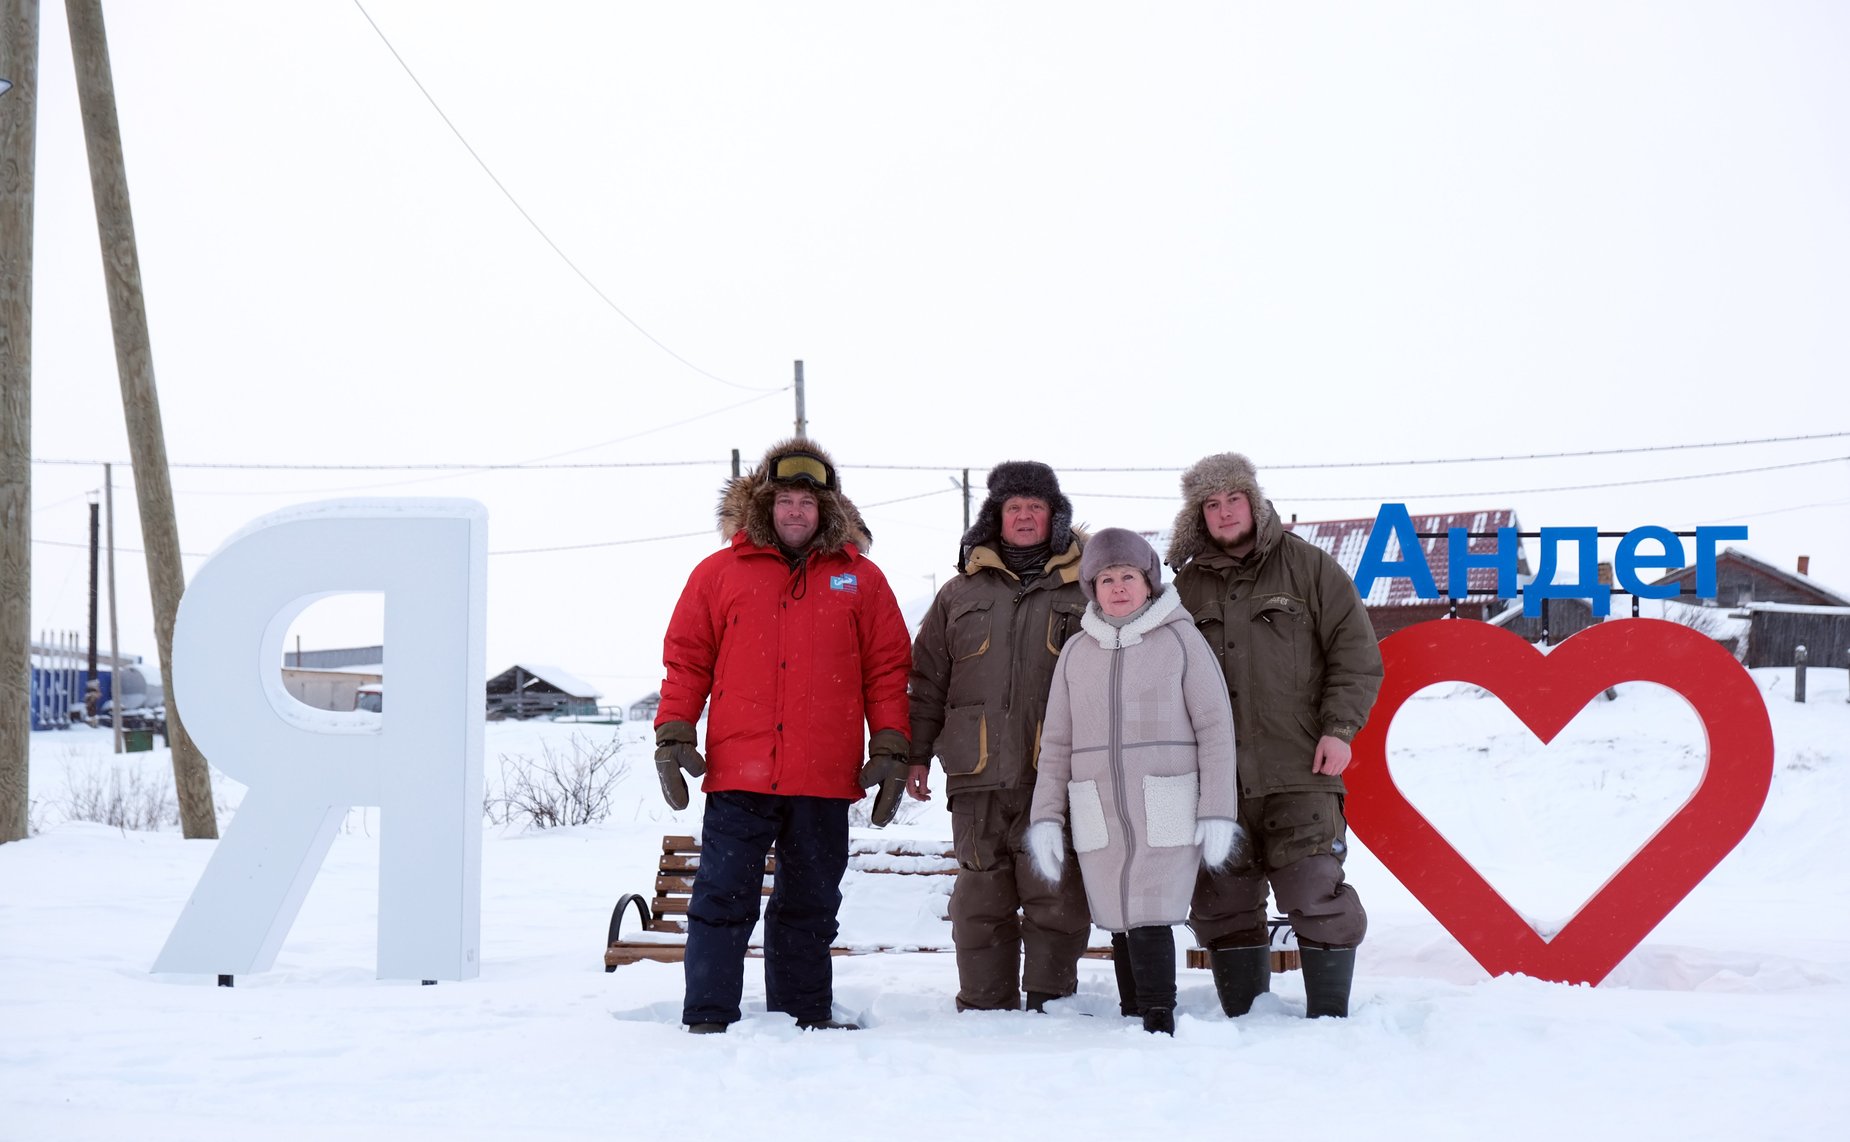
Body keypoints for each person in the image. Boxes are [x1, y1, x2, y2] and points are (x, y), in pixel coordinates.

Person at [653, 438, 914, 1033]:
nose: (796, 512)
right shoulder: (718, 574)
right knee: (721, 901)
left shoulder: (861, 579)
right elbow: (687, 659)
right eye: (785, 500)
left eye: (808, 502)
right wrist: (673, 731)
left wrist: (892, 746)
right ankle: (709, 1017)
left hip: (824, 777)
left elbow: (889, 670)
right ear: (764, 506)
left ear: (828, 510)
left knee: (810, 907)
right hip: (739, 773)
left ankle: (801, 1018)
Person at [1167, 453, 1384, 1018]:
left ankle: (1330, 1019)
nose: (1224, 512)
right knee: (1222, 902)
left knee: (1316, 892)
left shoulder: (1310, 569)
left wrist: (1340, 729)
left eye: (1232, 499)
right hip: (1216, 779)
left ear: (1254, 501)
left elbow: (1355, 655)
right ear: (1199, 516)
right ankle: (1245, 1018)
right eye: (1210, 505)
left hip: (1301, 769)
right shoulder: (1184, 588)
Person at [1025, 528, 1241, 1034]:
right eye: (1106, 579)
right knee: (1118, 911)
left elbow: (1215, 727)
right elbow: (1055, 742)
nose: (1118, 588)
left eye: (1128, 577)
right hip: (1097, 802)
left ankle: (1158, 1013)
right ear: (1092, 589)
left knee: (1150, 908)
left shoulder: (1181, 639)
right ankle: (1132, 1010)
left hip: (1166, 799)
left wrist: (1217, 809)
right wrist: (1046, 816)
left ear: (1148, 583)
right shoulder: (1077, 653)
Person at [905, 461, 1094, 1012]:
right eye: (1015, 507)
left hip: (1057, 773)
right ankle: (985, 1005)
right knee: (980, 896)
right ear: (996, 516)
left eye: (1036, 507)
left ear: (1055, 517)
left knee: (1054, 892)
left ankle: (1051, 1000)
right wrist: (917, 755)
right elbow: (927, 681)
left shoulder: (1087, 588)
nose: (1025, 516)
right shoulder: (957, 593)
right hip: (977, 772)